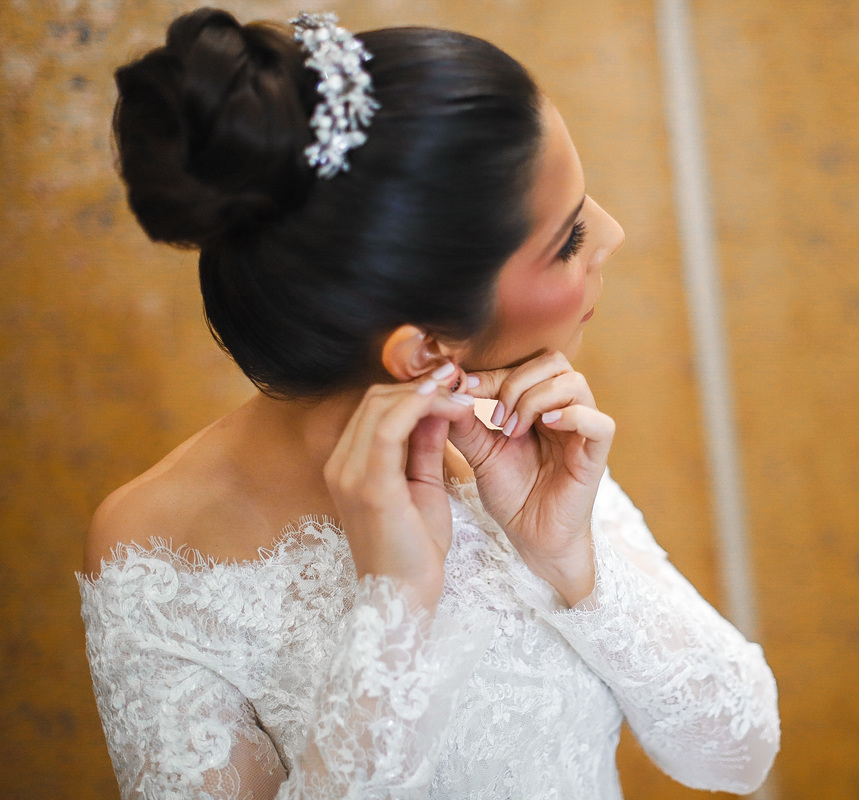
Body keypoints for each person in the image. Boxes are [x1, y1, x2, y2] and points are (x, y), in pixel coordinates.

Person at [78, 8, 780, 798]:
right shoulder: (156, 550)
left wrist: (570, 559)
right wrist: (393, 609)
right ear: (425, 351)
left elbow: (739, 755)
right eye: (568, 241)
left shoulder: (509, 441)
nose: (612, 233)